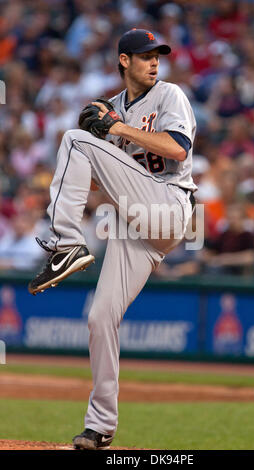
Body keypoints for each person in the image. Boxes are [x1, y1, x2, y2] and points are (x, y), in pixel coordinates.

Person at [28, 29, 197, 449]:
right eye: (144, 56)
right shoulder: (115, 109)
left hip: (170, 206)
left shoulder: (169, 95)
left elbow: (176, 150)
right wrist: (109, 134)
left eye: (157, 55)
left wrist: (115, 129)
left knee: (74, 139)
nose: (154, 62)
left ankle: (66, 243)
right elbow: (107, 183)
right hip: (134, 221)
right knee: (100, 318)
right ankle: (101, 426)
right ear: (124, 61)